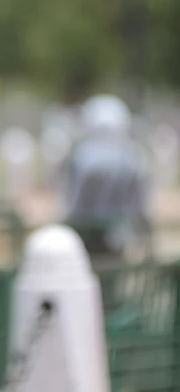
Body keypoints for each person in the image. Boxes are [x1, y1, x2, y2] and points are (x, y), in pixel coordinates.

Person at [64, 94, 150, 265]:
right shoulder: (135, 157)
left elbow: (73, 204)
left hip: (85, 235)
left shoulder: (81, 156)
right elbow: (140, 208)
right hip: (119, 235)